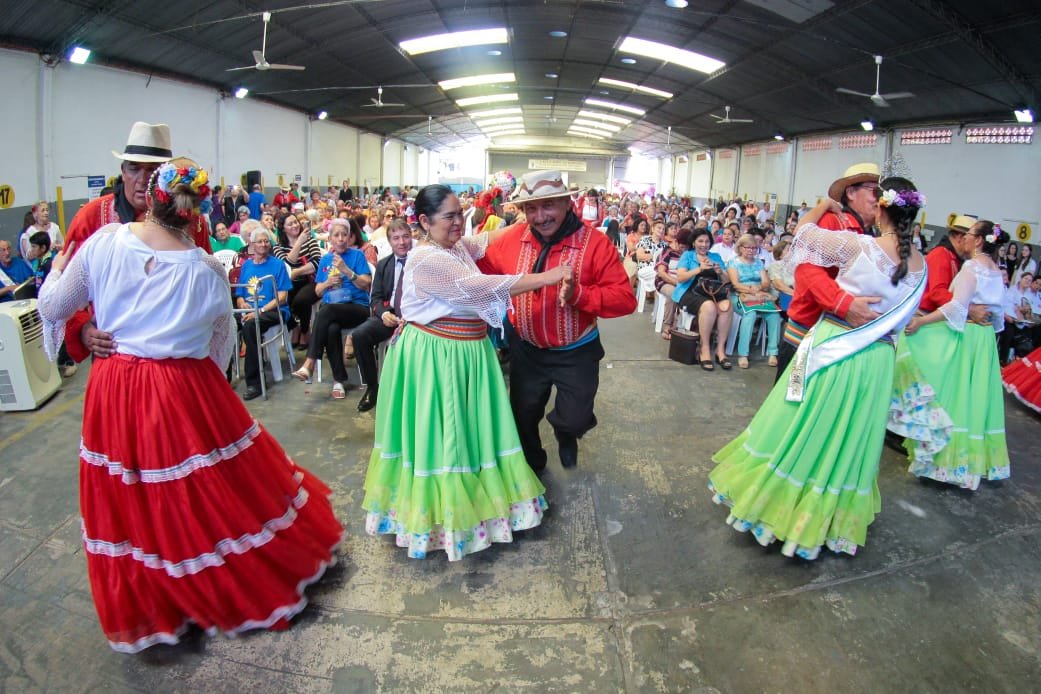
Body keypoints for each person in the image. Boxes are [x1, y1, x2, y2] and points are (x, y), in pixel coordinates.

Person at [36, 158, 342, 653]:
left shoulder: (104, 242)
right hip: (180, 386)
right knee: (194, 492)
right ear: (197, 211)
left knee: (130, 492)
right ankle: (205, 584)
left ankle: (155, 591)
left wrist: (55, 270)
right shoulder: (205, 270)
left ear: (153, 196)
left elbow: (52, 307)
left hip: (115, 383)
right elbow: (220, 350)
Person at [708, 181, 927, 560]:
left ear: (883, 210)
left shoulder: (860, 246)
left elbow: (802, 237)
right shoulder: (923, 265)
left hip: (836, 349)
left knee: (808, 424)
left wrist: (822, 204)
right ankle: (827, 520)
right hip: (877, 362)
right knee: (849, 436)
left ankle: (780, 509)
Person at [362, 184, 571, 560]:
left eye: (461, 213)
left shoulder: (453, 246)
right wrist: (547, 277)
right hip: (437, 356)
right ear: (424, 222)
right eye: (450, 216)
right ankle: (445, 521)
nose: (459, 222)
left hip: (466, 352)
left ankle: (477, 504)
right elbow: (479, 286)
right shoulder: (427, 259)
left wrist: (530, 214)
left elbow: (486, 239)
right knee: (447, 436)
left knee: (471, 432)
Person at [478, 170, 638, 470]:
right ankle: (533, 465)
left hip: (576, 353)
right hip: (526, 349)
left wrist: (580, 295)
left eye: (548, 205)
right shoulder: (511, 239)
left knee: (575, 418)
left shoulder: (595, 243)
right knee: (522, 416)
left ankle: (566, 433)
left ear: (567, 202)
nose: (540, 216)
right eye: (531, 208)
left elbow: (625, 299)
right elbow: (478, 271)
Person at [62, 122, 212, 364]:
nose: (142, 180)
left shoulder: (191, 221)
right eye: (134, 169)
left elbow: (205, 285)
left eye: (152, 169)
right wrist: (83, 329)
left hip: (176, 355)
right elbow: (65, 289)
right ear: (122, 171)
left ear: (165, 175)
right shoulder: (92, 217)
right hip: (112, 355)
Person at [889, 221, 1011, 489]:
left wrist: (922, 322)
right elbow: (999, 316)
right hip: (985, 339)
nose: (965, 240)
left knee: (953, 394)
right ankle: (972, 461)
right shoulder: (997, 271)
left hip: (966, 336)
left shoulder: (972, 267)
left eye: (968, 235)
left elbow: (956, 307)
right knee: (974, 398)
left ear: (978, 241)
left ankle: (946, 461)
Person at [773, 163, 883, 383]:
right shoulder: (832, 221)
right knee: (792, 401)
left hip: (839, 335)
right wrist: (844, 303)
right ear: (851, 193)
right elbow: (807, 271)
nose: (879, 198)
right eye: (874, 190)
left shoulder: (870, 233)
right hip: (807, 333)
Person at [290, 218, 371, 399]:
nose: (341, 239)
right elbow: (318, 290)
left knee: (325, 312)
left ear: (350, 238)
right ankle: (339, 381)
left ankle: (309, 362)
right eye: (336, 235)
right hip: (333, 309)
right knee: (331, 327)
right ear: (330, 239)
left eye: (344, 235)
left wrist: (347, 270)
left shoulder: (357, 255)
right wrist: (328, 282)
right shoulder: (326, 259)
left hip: (357, 308)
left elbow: (366, 284)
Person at [350, 219, 413, 412]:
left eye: (405, 237)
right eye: (396, 238)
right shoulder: (385, 265)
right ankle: (372, 388)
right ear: (389, 241)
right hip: (391, 315)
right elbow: (375, 297)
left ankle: (410, 392)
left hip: (414, 318)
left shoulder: (420, 262)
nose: (401, 242)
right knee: (360, 335)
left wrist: (411, 317)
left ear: (412, 238)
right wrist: (384, 313)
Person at [235, 225, 292, 401]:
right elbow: (239, 294)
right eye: (259, 241)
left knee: (252, 326)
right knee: (227, 322)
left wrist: (259, 311)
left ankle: (256, 382)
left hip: (273, 310)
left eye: (266, 241)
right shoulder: (246, 266)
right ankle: (224, 375)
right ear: (251, 245)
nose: (264, 244)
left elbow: (282, 297)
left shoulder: (278, 265)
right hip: (249, 310)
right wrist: (243, 304)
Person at [673, 228, 734, 370]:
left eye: (707, 241)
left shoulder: (715, 257)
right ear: (694, 242)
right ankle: (704, 349)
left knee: (726, 306)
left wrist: (721, 272)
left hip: (712, 291)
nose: (704, 244)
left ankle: (720, 350)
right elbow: (681, 278)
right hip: (689, 292)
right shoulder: (687, 256)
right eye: (700, 241)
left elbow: (726, 281)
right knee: (709, 306)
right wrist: (699, 269)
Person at [727, 233, 781, 369]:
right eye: (748, 248)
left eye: (754, 248)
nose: (751, 251)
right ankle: (743, 354)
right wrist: (752, 290)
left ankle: (773, 352)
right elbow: (735, 284)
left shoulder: (758, 263)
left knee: (774, 315)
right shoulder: (733, 262)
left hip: (759, 294)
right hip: (740, 296)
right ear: (740, 248)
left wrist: (760, 288)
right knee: (750, 314)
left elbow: (766, 282)